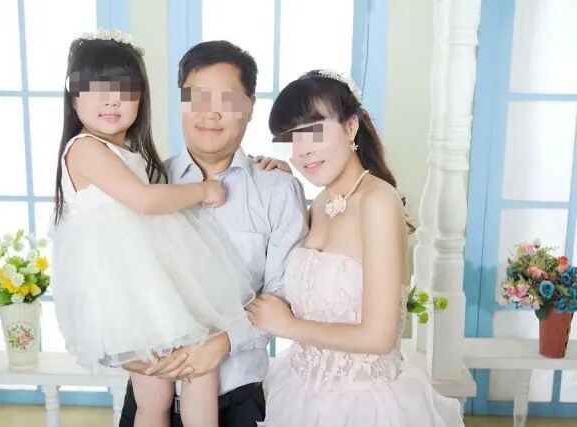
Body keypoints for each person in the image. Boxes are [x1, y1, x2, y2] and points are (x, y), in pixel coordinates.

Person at [50, 32, 259, 427]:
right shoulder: (85, 148)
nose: (112, 101)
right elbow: (145, 201)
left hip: (144, 290)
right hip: (128, 292)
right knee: (193, 372)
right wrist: (204, 189)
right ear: (74, 98)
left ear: (141, 98)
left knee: (167, 390)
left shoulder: (130, 155)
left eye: (124, 91)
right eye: (97, 90)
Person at [246, 70, 464, 426]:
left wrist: (288, 326)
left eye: (313, 131)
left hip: (363, 403)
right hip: (300, 391)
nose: (302, 150)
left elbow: (379, 337)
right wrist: (285, 189)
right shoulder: (320, 203)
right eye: (289, 138)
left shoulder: (379, 201)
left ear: (350, 127)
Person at [119, 40, 308, 427]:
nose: (210, 112)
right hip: (151, 392)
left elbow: (283, 294)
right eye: (198, 97)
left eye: (228, 99)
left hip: (237, 397)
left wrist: (222, 343)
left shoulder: (277, 191)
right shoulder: (147, 184)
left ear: (250, 106)